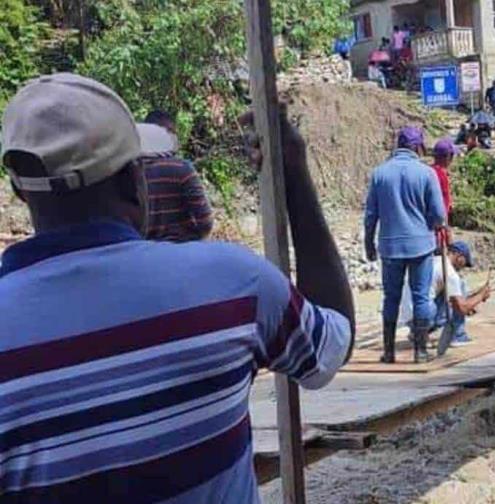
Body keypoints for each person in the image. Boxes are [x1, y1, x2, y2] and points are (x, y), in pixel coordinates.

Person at [0, 73, 353, 502]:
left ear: (20, 190)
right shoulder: (234, 284)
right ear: (135, 179)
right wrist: (293, 171)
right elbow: (331, 347)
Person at [365, 127, 447, 364]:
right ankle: (420, 352)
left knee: (390, 298)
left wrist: (369, 243)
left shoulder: (379, 174)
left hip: (390, 246)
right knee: (421, 297)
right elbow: (439, 214)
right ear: (418, 147)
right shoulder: (426, 174)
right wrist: (432, 226)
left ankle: (389, 352)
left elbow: (371, 215)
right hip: (420, 245)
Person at [398, 241, 490, 347]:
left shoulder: (432, 261)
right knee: (461, 286)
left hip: (408, 316)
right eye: (465, 263)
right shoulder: (449, 272)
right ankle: (457, 336)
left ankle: (417, 333)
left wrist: (472, 299)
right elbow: (462, 308)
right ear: (459, 257)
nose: (463, 267)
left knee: (450, 293)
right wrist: (481, 296)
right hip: (424, 316)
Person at [139, 112, 213, 242]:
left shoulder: (130, 172)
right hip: (183, 252)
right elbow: (205, 222)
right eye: (171, 132)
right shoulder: (182, 169)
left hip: (145, 255)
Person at [431, 138, 456, 225]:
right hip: (439, 222)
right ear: (448, 157)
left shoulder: (429, 170)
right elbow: (444, 199)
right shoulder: (442, 174)